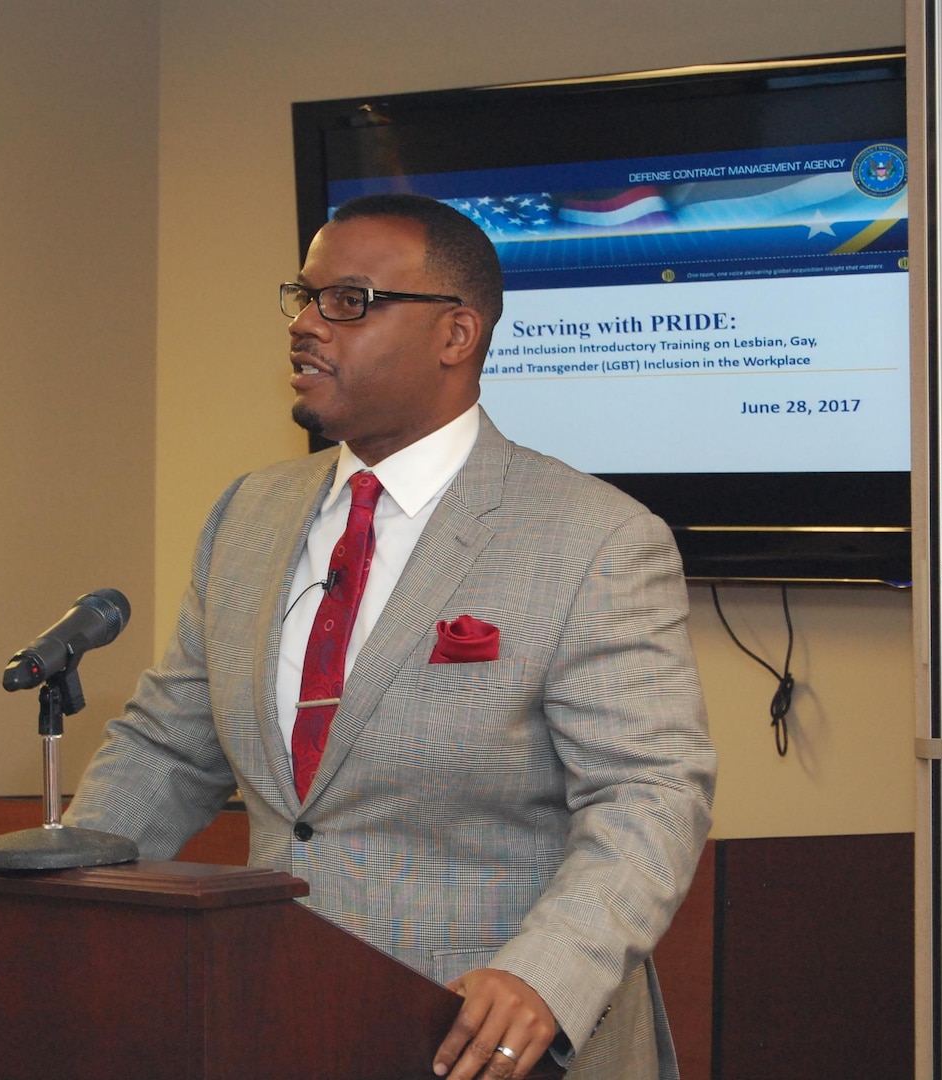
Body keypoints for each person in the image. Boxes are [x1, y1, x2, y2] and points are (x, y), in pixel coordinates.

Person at [64, 193, 715, 1080]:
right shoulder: (247, 515)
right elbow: (167, 746)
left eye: (348, 301)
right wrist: (64, 911)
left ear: (457, 335)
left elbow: (649, 796)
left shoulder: (594, 537)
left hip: (491, 1043)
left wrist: (547, 977)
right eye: (302, 295)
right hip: (287, 1020)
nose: (304, 325)